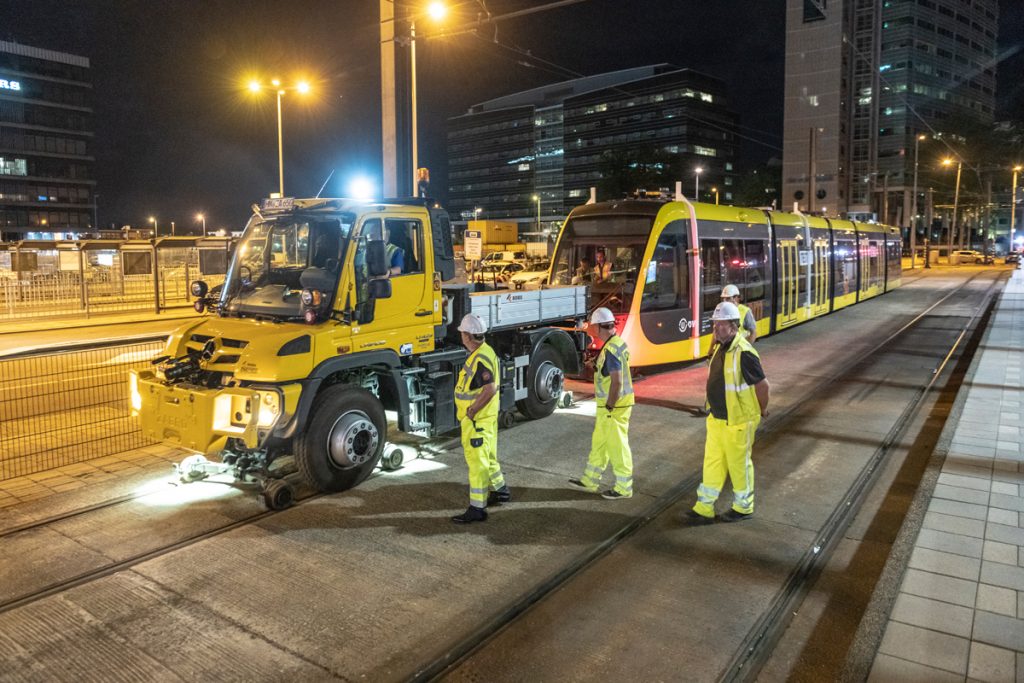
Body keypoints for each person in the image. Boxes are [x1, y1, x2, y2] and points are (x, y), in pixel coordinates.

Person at [686, 301, 770, 524]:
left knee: (739, 465)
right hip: (717, 419)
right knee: (713, 462)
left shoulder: (744, 352)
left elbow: (763, 386)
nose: (716, 329)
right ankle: (704, 507)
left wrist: (762, 409)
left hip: (738, 421)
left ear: (734, 326)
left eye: (721, 325)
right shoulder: (721, 348)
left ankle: (743, 507)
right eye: (715, 324)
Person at [569, 307, 635, 499]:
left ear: (598, 327)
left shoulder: (611, 349)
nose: (589, 328)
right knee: (600, 443)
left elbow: (617, 381)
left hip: (615, 406)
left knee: (617, 446)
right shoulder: (615, 344)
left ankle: (624, 488)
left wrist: (609, 405)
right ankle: (590, 480)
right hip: (612, 406)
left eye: (592, 325)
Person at [451, 313, 510, 523]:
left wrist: (472, 410)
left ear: (467, 336)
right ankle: (501, 490)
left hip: (477, 421)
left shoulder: (480, 357)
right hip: (485, 419)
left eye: (462, 334)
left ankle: (477, 508)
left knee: (477, 464)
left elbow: (490, 389)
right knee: (489, 457)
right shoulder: (485, 351)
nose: (461, 337)